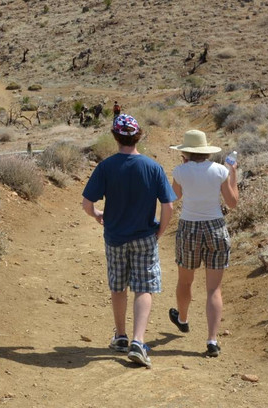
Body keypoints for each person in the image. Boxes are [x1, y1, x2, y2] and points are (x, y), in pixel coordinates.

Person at [82, 114, 176, 368]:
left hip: (114, 237)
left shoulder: (106, 167)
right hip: (144, 235)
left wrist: (97, 215)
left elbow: (87, 204)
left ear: (115, 136)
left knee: (118, 285)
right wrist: (160, 232)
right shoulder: (152, 167)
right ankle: (138, 341)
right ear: (139, 135)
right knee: (143, 286)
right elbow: (168, 206)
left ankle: (121, 336)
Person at [167, 129, 239, 357]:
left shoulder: (180, 171)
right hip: (215, 227)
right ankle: (212, 340)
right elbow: (232, 202)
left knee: (185, 281)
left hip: (189, 228)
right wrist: (232, 174)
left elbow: (173, 197)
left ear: (186, 152)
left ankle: (183, 318)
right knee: (213, 289)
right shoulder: (220, 171)